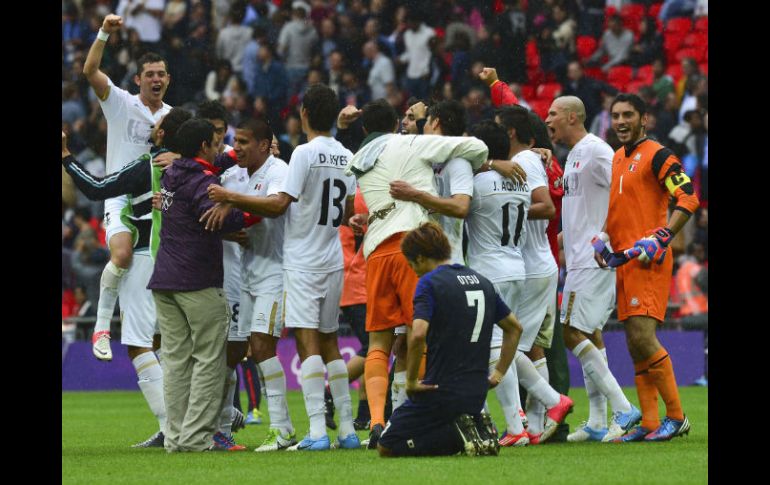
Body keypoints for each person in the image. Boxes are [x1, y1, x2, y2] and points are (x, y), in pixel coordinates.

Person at [207, 84, 360, 451]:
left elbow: (278, 205)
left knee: (307, 343)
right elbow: (348, 212)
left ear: (304, 113)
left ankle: (314, 432)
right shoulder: (346, 155)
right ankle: (347, 431)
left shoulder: (303, 154)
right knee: (330, 342)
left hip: (300, 261)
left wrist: (229, 198)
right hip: (332, 258)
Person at [344, 99, 490, 449]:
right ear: (396, 123)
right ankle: (423, 417)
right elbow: (477, 147)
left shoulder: (358, 159)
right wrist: (489, 161)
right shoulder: (411, 142)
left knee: (379, 343)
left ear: (365, 129)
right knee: (420, 331)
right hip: (413, 247)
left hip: (376, 249)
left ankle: (377, 421)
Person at [61, 108, 192, 448]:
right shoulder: (196, 168)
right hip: (181, 262)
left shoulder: (147, 166)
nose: (153, 125)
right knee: (167, 344)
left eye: (158, 124)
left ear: (163, 135)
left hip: (146, 258)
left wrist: (66, 157)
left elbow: (96, 188)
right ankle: (201, 418)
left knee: (138, 345)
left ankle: (172, 428)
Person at [147, 118, 259, 453]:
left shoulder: (171, 174)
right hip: (197, 282)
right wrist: (244, 202)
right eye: (215, 142)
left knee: (176, 362)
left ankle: (176, 437)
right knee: (209, 361)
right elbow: (222, 218)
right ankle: (196, 438)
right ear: (203, 147)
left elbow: (211, 165)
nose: (220, 148)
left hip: (165, 281)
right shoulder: (202, 182)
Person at [377, 222, 523, 457]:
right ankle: (474, 430)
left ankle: (457, 437)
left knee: (386, 445)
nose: (413, 270)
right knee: (432, 425)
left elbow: (418, 334)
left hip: (438, 391)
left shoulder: (429, 283)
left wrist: (411, 381)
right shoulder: (482, 281)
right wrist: (498, 374)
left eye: (411, 263)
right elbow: (515, 328)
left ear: (420, 258)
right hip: (477, 393)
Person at [545, 96, 642, 442]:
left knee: (571, 331)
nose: (547, 119)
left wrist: (605, 236)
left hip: (594, 258)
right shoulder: (573, 154)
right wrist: (563, 236)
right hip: (577, 257)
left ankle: (624, 408)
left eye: (553, 113)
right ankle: (599, 421)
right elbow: (584, 206)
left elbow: (624, 194)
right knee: (590, 332)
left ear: (572, 117)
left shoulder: (598, 151)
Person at [604, 93, 699, 442]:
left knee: (644, 337)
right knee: (634, 343)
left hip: (649, 259)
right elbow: (622, 211)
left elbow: (688, 196)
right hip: (625, 261)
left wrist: (664, 236)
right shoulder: (617, 157)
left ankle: (676, 417)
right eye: (616, 115)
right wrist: (605, 240)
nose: (621, 121)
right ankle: (649, 420)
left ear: (644, 119)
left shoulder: (659, 155)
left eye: (628, 115)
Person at [206, 119, 300, 452]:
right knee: (233, 351)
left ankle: (282, 429)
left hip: (274, 273)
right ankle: (220, 428)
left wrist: (231, 199)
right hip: (245, 275)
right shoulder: (238, 176)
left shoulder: (278, 170)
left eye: (244, 142)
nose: (237, 148)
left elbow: (277, 206)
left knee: (261, 347)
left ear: (263, 145)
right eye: (236, 142)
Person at [83, 13, 172, 362]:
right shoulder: (121, 102)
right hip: (120, 195)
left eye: (161, 74)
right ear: (138, 79)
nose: (156, 79)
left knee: (160, 277)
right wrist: (104, 32)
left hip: (156, 201)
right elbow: (90, 70)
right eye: (149, 74)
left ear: (168, 79)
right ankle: (102, 327)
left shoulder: (173, 116)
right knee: (121, 254)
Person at [493, 105, 573, 444]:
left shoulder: (525, 160)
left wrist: (507, 209)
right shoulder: (529, 159)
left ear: (510, 132)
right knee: (530, 347)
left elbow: (547, 207)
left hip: (531, 266)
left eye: (498, 126)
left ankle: (548, 406)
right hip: (536, 264)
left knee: (508, 347)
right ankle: (537, 426)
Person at [465, 120, 531, 447]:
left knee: (493, 346)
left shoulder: (478, 184)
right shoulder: (522, 181)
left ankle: (515, 428)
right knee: (507, 344)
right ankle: (518, 420)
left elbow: (459, 209)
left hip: (489, 270)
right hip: (517, 267)